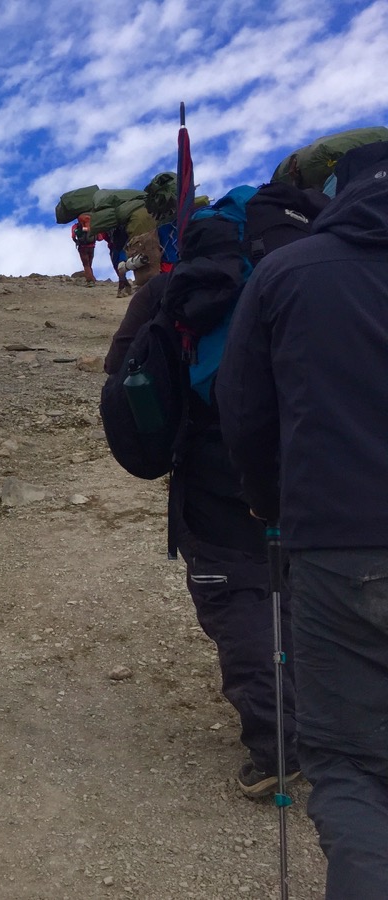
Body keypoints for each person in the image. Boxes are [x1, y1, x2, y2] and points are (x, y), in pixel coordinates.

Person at [219, 157, 388, 895]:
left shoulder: (287, 273)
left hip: (335, 544)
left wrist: (268, 501)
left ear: (337, 195)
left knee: (349, 763)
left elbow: (244, 403)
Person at [106, 270, 297, 801]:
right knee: (310, 586)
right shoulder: (316, 266)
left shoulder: (178, 284)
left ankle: (278, 746)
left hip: (218, 466)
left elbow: (121, 369)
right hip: (320, 452)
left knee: (237, 596)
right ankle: (339, 723)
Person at [104, 222, 132, 297]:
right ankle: (127, 286)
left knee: (120, 267)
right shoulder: (124, 224)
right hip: (123, 247)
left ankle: (121, 289)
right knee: (120, 267)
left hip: (115, 248)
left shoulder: (109, 225)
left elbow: (104, 236)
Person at [73, 213, 100, 284]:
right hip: (92, 247)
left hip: (82, 247)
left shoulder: (76, 226)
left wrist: (76, 241)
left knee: (86, 265)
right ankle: (92, 278)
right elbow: (100, 238)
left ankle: (90, 281)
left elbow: (73, 236)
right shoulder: (93, 226)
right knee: (89, 264)